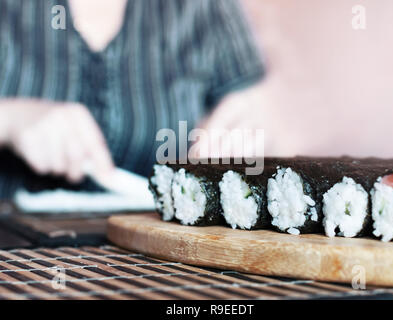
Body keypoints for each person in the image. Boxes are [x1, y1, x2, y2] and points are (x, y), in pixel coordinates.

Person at [0, 0, 266, 199]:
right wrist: (10, 119)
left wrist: (240, 133)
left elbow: (250, 109)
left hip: (162, 260)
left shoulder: (202, 7)